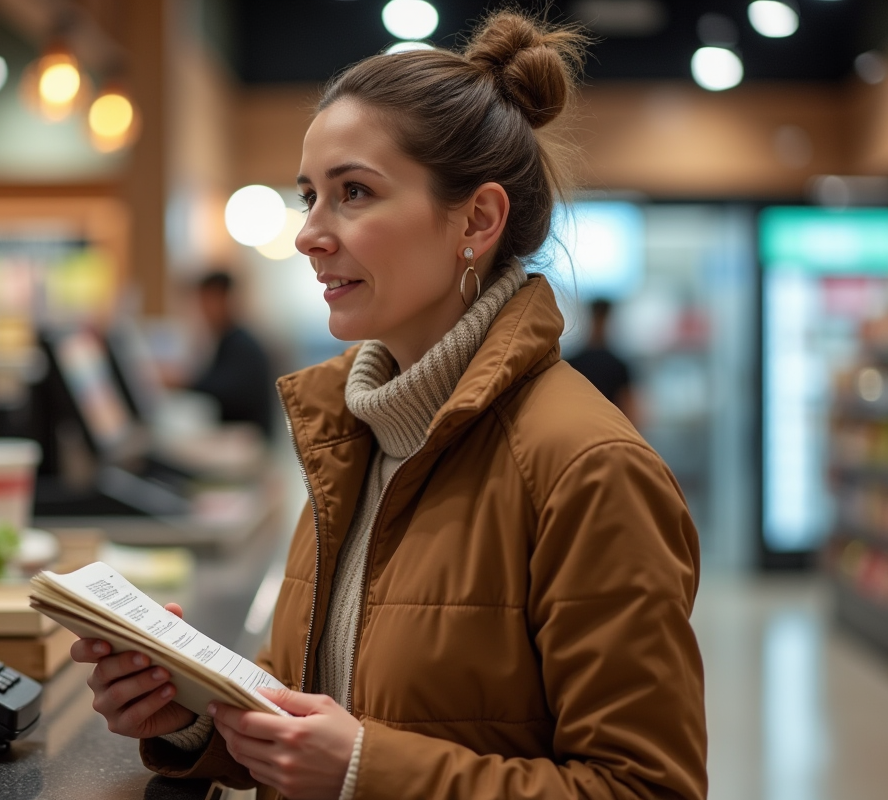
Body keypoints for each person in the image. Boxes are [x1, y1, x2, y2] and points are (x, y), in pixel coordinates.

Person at [72, 10, 706, 800]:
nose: (309, 233)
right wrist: (188, 716)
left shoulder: (589, 470)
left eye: (354, 193)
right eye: (310, 195)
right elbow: (312, 714)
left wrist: (368, 772)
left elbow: (648, 788)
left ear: (477, 220)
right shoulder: (352, 431)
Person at [188, 271, 275, 439]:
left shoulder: (241, 344)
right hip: (241, 433)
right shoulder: (229, 339)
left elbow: (223, 389)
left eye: (208, 300)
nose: (203, 310)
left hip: (248, 438)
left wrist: (182, 382)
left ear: (225, 299)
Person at [567, 298, 638, 422]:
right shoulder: (617, 365)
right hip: (609, 429)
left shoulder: (573, 362)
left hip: (579, 426)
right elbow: (628, 409)